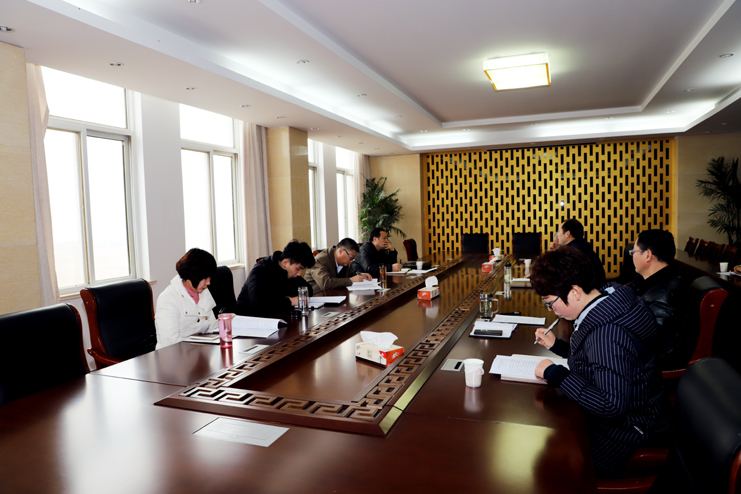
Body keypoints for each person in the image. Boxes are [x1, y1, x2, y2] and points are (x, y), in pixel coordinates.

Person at [530, 247, 668, 478]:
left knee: (552, 462)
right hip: (641, 416)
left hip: (627, 434)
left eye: (550, 302)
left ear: (574, 291)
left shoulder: (607, 333)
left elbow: (610, 406)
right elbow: (600, 361)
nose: (552, 310)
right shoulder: (612, 297)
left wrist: (556, 374)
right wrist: (559, 346)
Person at [630, 229, 691, 369]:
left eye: (634, 252)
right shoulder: (658, 281)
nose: (632, 256)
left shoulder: (667, 293)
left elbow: (648, 340)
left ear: (648, 255)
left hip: (652, 366)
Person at [155, 248, 218, 349]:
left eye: (209, 277)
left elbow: (211, 326)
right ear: (191, 276)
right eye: (205, 278)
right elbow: (170, 343)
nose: (208, 282)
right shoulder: (168, 299)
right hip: (175, 355)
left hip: (201, 351)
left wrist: (227, 323)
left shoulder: (203, 292)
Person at [234, 240, 315, 316]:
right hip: (248, 319)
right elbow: (259, 305)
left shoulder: (289, 272)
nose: (299, 274)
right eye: (298, 269)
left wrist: (284, 299)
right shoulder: (260, 271)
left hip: (275, 317)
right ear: (285, 263)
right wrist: (291, 301)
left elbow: (308, 290)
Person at [549, 218, 607, 287]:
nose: (557, 235)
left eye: (558, 231)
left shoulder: (573, 251)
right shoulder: (581, 245)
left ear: (567, 234)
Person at [304, 238, 372, 294]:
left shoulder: (343, 262)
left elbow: (350, 274)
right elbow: (325, 284)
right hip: (315, 297)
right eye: (351, 257)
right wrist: (351, 280)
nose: (351, 261)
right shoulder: (320, 260)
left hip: (334, 295)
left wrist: (360, 275)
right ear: (341, 251)